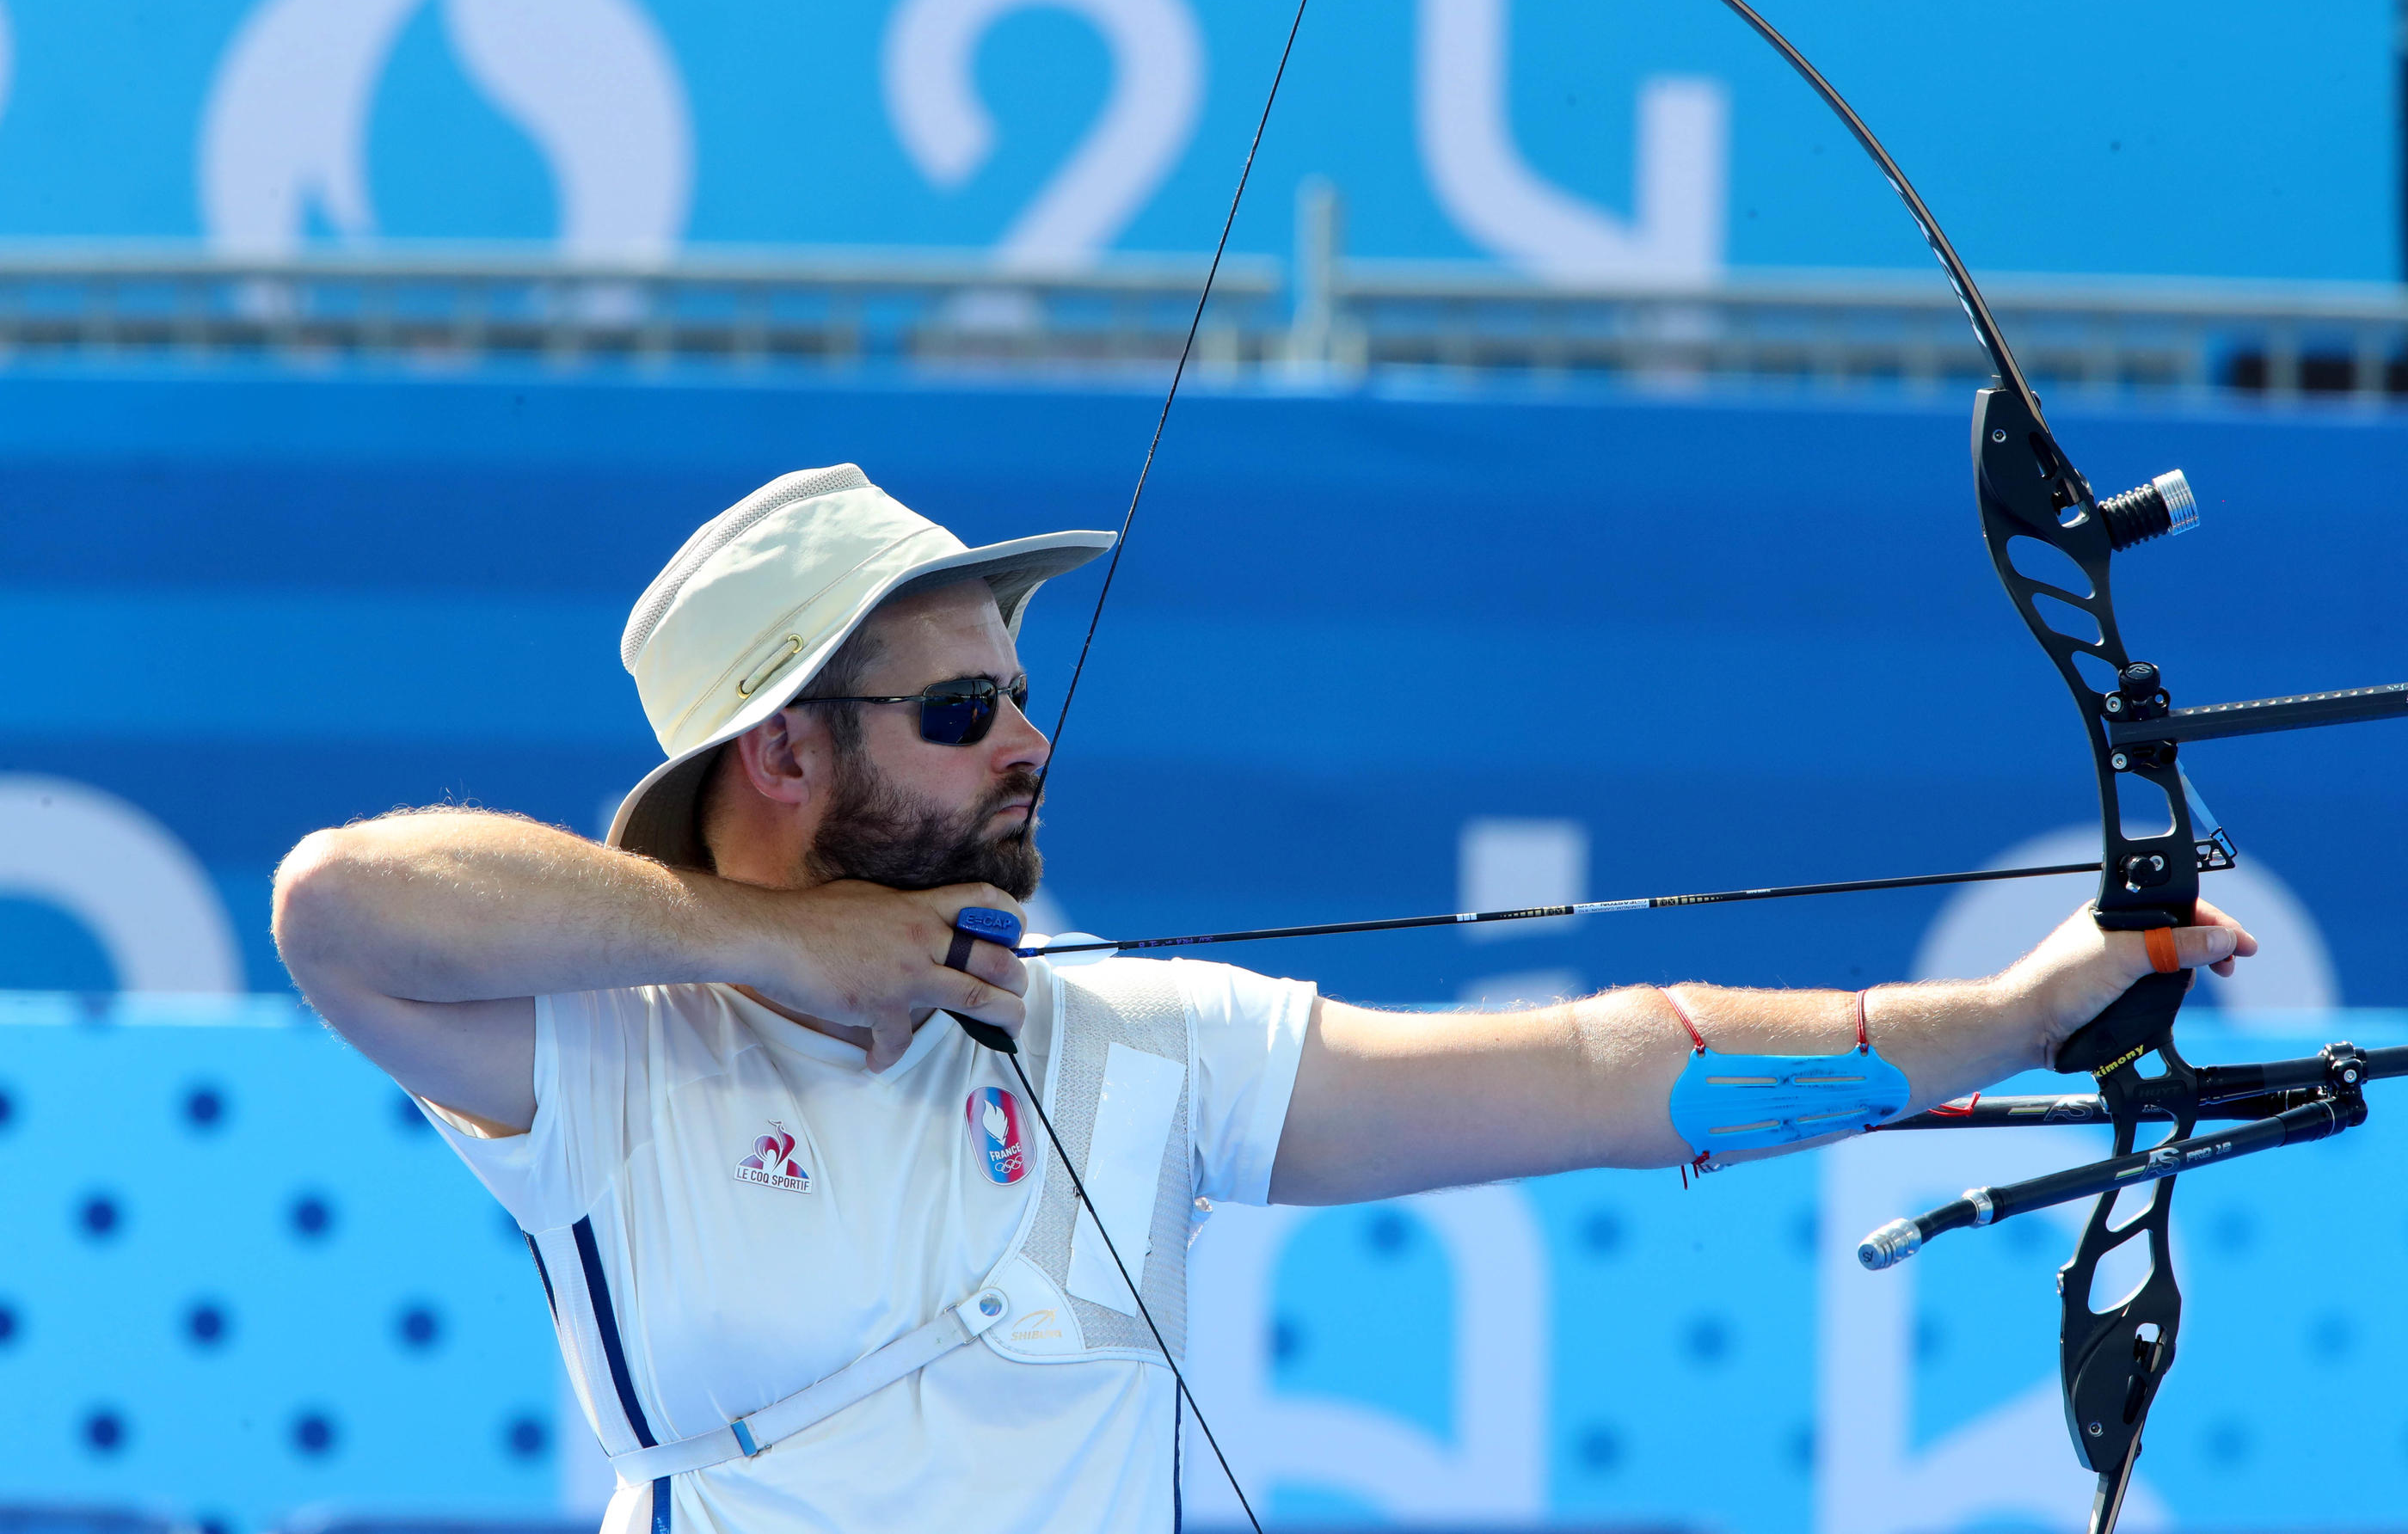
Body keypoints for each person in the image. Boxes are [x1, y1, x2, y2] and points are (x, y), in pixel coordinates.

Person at [270, 465, 2254, 1534]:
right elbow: (337, 903)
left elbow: (1600, 1067)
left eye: (1020, 693)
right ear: (777, 758)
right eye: (964, 710)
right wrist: (779, 951)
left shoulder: (1126, 1046)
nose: (1027, 742)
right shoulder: (602, 1054)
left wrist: (2010, 1008)